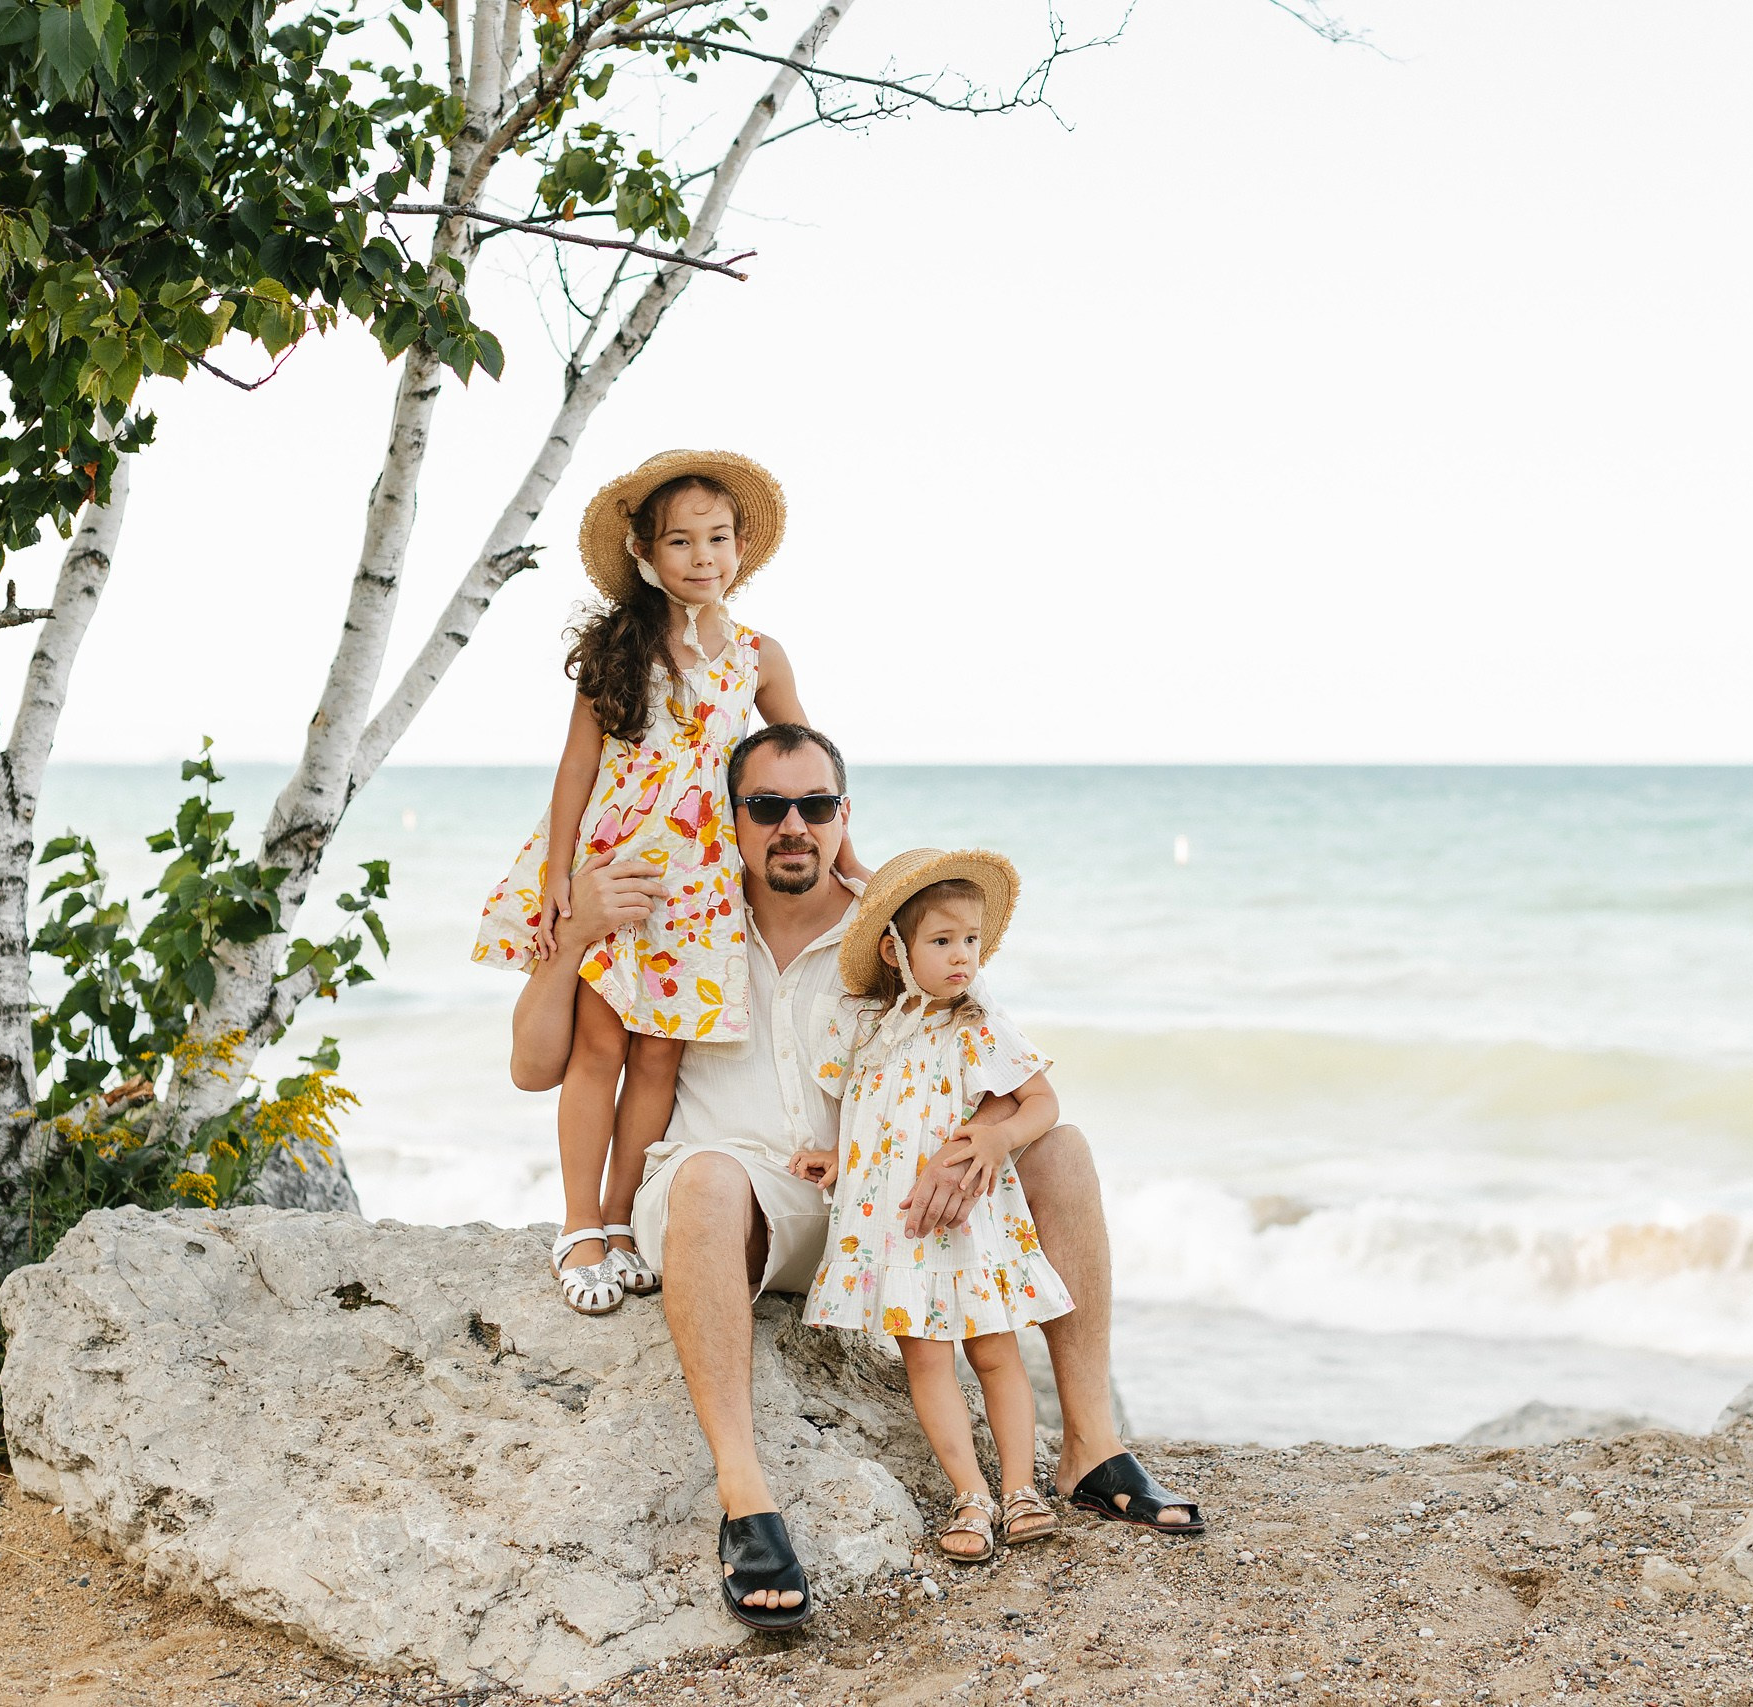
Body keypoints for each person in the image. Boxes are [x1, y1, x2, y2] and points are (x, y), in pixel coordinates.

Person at [512, 723, 1205, 1632]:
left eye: (816, 804)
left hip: (873, 1205)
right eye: (768, 806)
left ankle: (1090, 1448)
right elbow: (534, 1068)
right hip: (731, 1200)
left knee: (1062, 1146)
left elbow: (993, 1060)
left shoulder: (897, 932)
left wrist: (981, 1138)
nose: (793, 825)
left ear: (845, 814)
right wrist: (576, 934)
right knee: (713, 1176)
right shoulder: (682, 920)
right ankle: (745, 1499)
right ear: (733, 819)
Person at [472, 450, 823, 1317]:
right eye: (680, 542)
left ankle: (626, 1219)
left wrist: (849, 865)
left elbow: (803, 765)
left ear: (741, 545)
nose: (702, 557)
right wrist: (561, 877)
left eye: (717, 539)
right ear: (645, 552)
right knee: (601, 1048)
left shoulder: (758, 655)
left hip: (703, 886)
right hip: (622, 868)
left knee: (661, 1059)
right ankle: (581, 1222)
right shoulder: (621, 647)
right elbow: (576, 766)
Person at [788, 849, 1072, 1566]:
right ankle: (969, 1491)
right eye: (942, 941)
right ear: (897, 949)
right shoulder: (871, 1032)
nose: (962, 957)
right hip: (902, 1230)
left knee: (998, 1353)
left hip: (970, 1225)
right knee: (927, 1361)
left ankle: (1020, 1487)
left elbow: (1043, 1101)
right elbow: (871, 1118)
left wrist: (999, 1134)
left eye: (971, 940)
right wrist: (838, 1159)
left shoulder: (978, 1023)